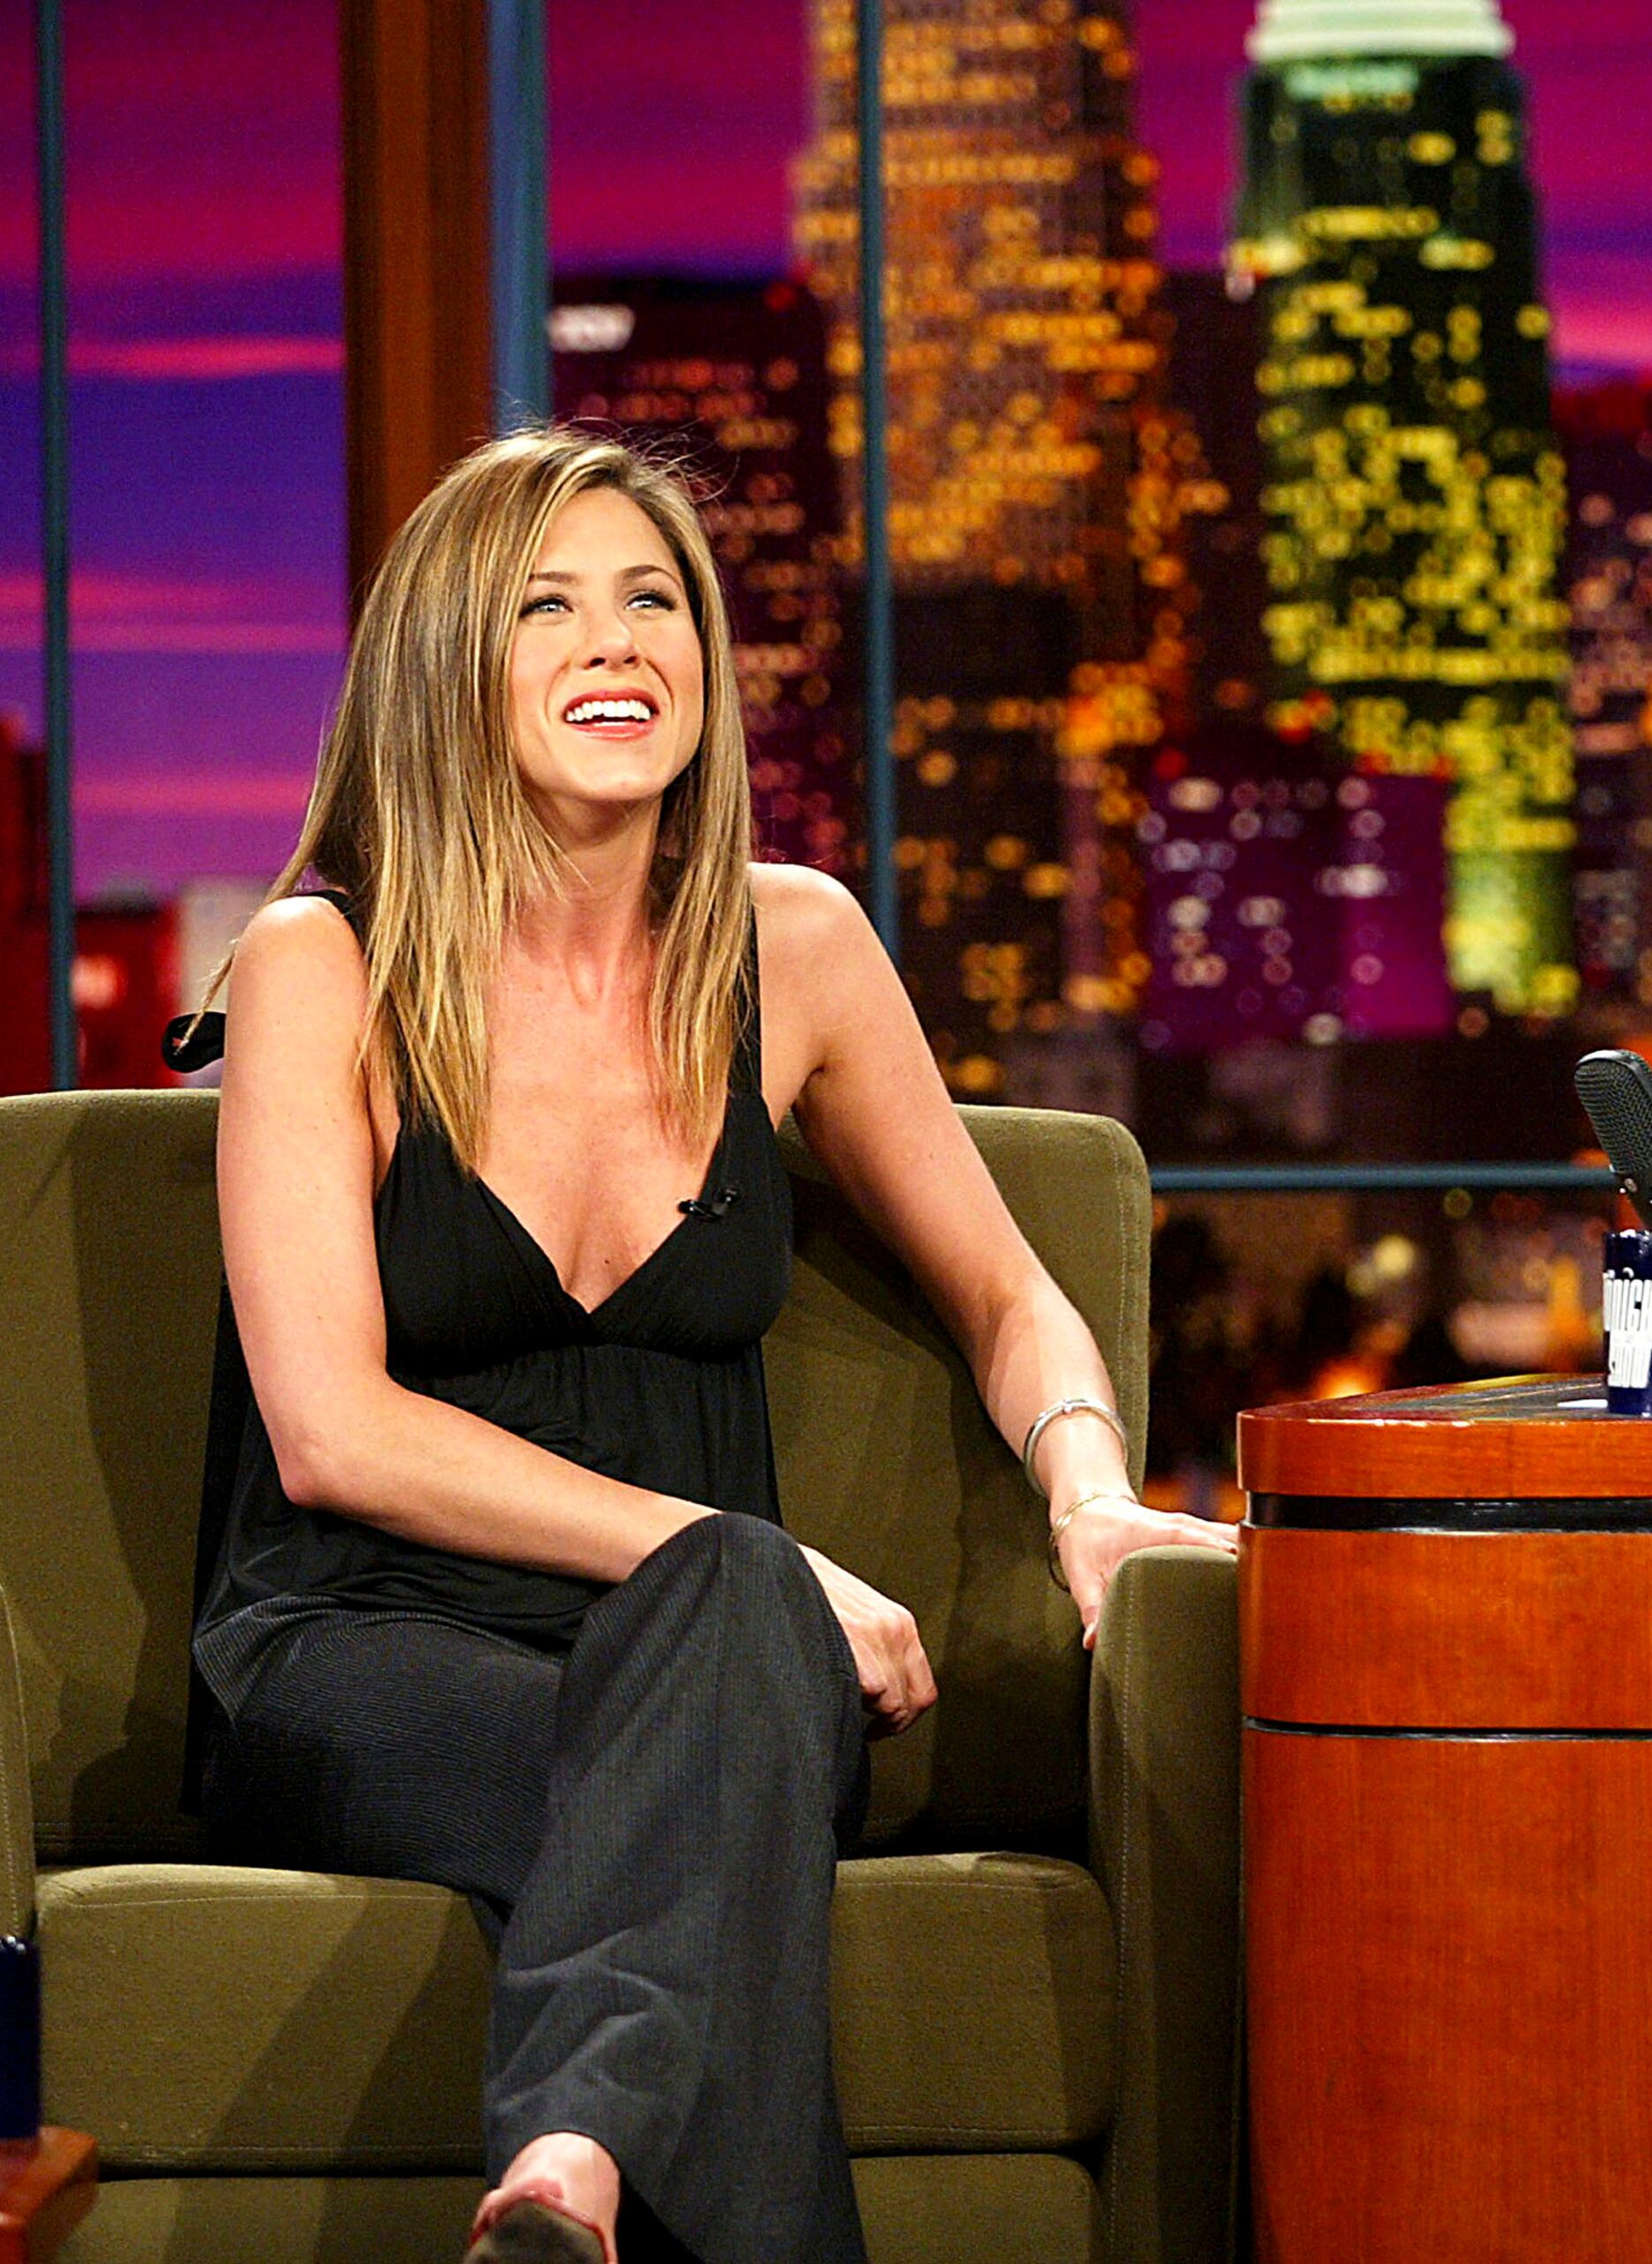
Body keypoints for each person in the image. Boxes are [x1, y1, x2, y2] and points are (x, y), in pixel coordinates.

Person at [180, 427, 1237, 2264]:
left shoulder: (798, 950)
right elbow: (332, 1435)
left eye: (653, 599)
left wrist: (1088, 1485)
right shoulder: (323, 967)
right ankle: (587, 2152)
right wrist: (752, 1562)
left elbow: (1007, 1290)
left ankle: (573, 2165)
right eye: (549, 607)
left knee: (723, 1675)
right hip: (364, 1647)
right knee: (725, 1728)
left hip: (722, 1663)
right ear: (451, 664)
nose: (618, 643)